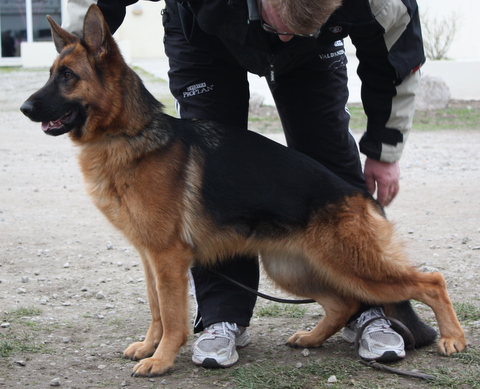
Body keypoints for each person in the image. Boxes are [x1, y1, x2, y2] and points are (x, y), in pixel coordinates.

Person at [64, 0, 425, 368]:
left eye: (296, 28)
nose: (283, 37)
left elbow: (397, 52)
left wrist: (385, 148)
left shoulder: (375, 3)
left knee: (327, 153)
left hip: (314, 49)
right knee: (210, 178)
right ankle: (223, 316)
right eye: (279, 24)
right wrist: (78, 49)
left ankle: (366, 309)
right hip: (204, 30)